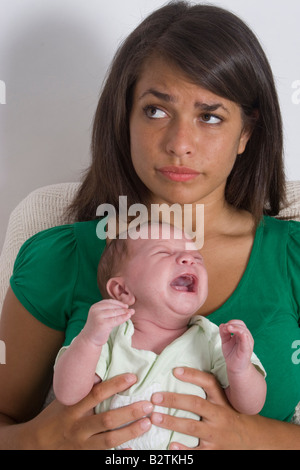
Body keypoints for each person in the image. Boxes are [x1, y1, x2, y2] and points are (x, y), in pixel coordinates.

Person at [0, 1, 300, 450]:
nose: (180, 144)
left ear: (246, 133)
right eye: (156, 111)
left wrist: (250, 435)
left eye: (210, 116)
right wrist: (45, 439)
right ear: (125, 119)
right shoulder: (59, 256)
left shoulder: (291, 257)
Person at [53, 224, 266, 449]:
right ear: (122, 291)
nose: (188, 258)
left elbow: (251, 406)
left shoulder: (212, 338)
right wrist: (89, 340)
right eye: (163, 252)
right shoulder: (107, 337)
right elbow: (68, 395)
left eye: (197, 256)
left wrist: (239, 369)